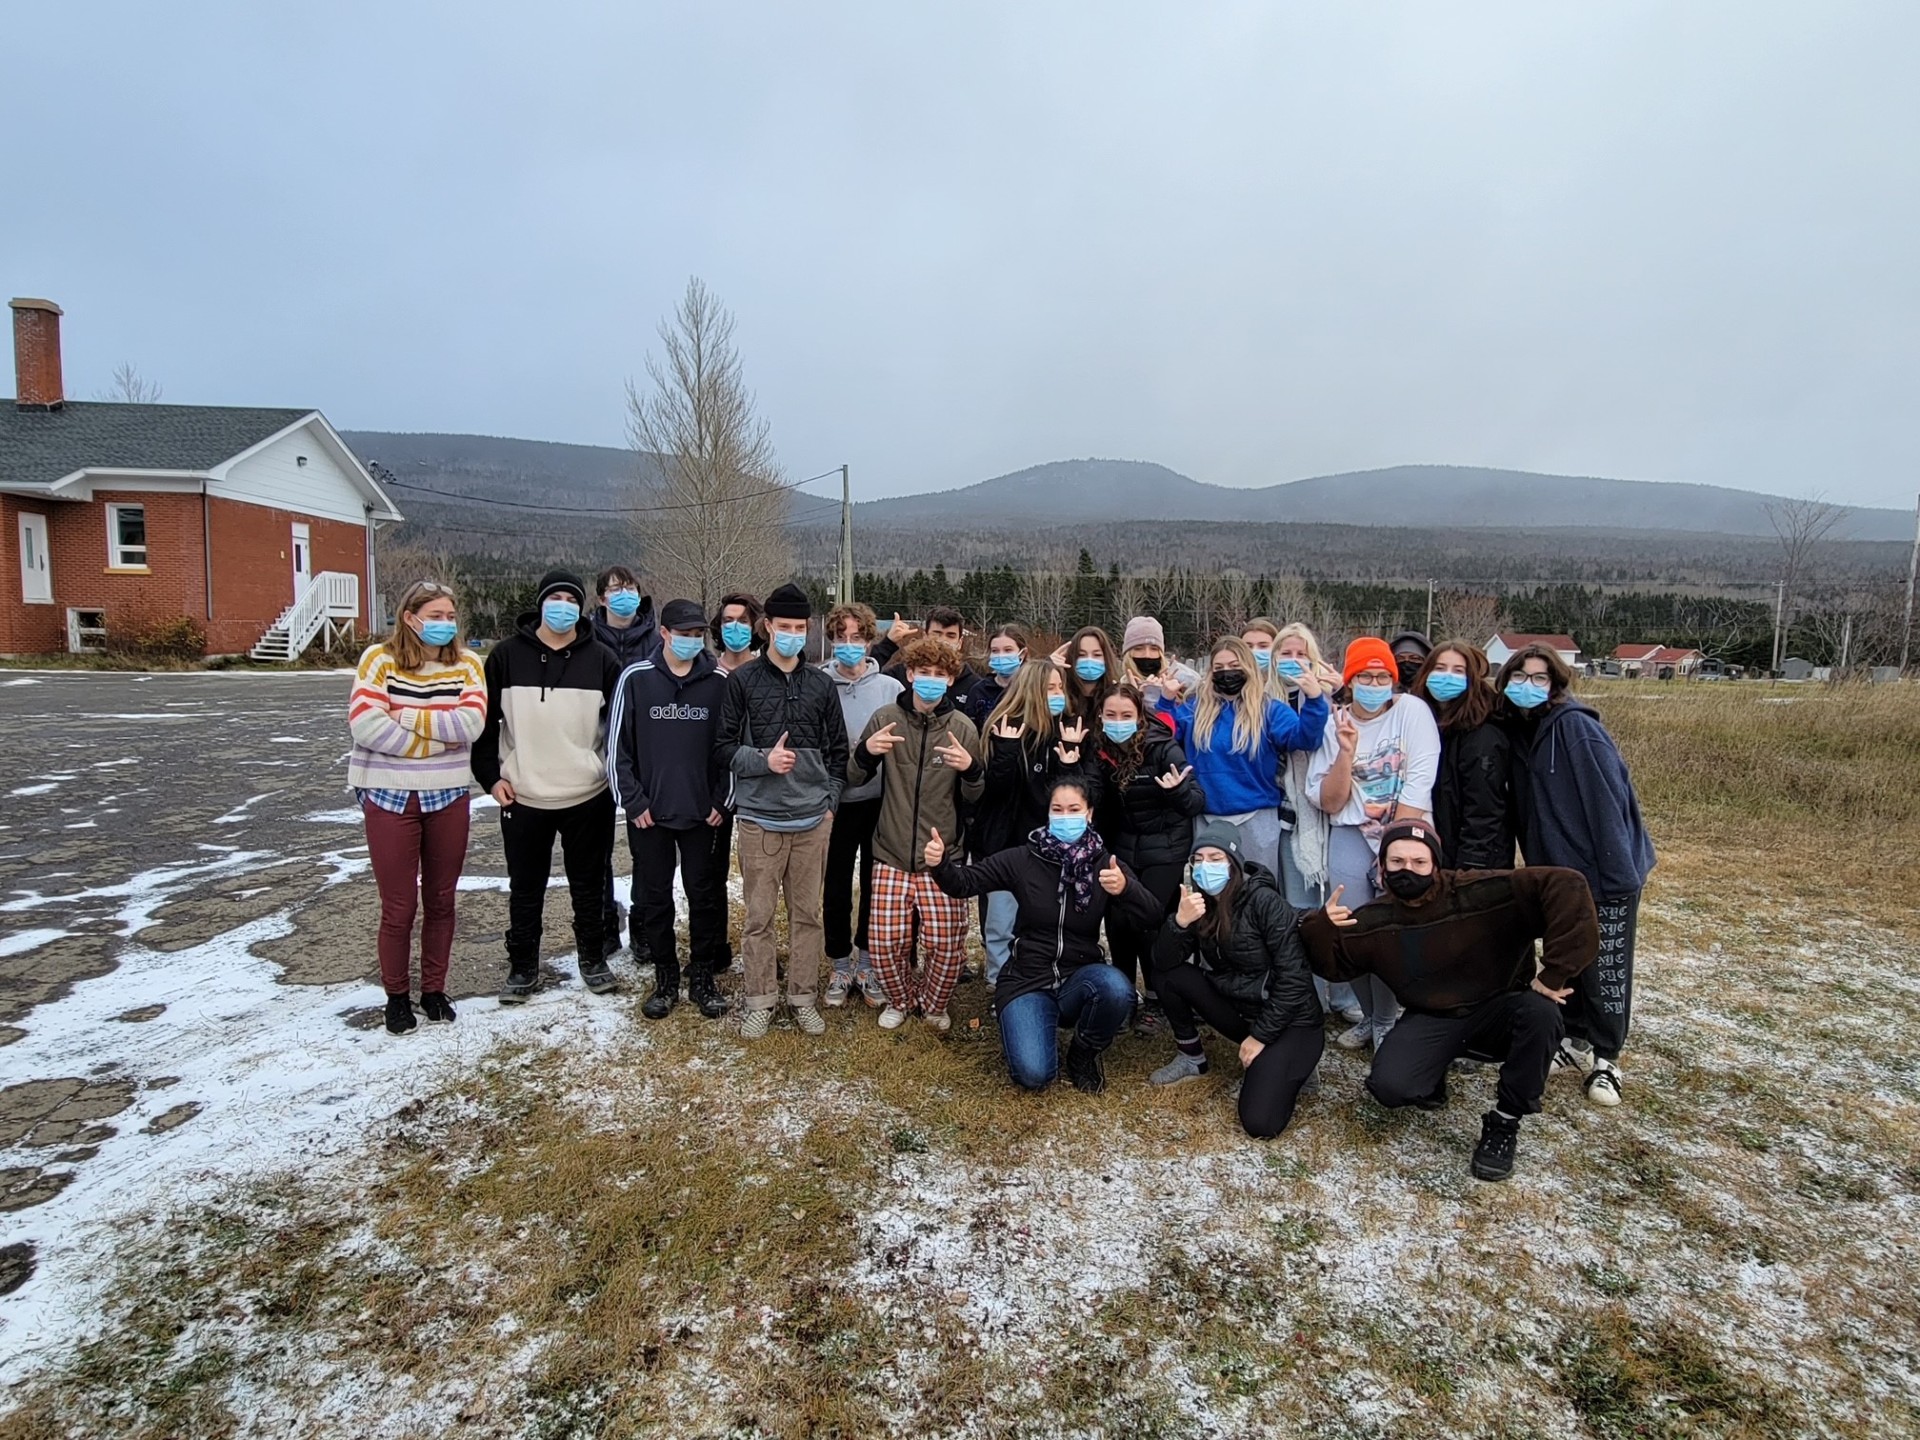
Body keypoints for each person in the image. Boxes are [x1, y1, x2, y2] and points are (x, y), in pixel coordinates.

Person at [1299, 819, 1599, 1181]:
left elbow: (1567, 884)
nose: (1407, 869)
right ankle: (1432, 1072)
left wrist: (1554, 972)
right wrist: (1321, 925)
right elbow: (1332, 966)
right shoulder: (1375, 920)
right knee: (1390, 1087)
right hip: (1432, 1016)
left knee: (1543, 1013)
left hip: (1501, 1008)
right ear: (1381, 867)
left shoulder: (1483, 892)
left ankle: (1505, 1121)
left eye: (1418, 862)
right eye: (1396, 862)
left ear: (1435, 865)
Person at [1496, 644, 1655, 1107]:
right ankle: (1575, 1035)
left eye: (1538, 678)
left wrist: (1617, 876)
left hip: (1605, 873)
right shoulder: (1524, 734)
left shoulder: (1576, 730)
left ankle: (1607, 1059)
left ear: (1556, 684)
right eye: (1519, 677)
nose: (1527, 686)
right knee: (1571, 956)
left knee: (1606, 964)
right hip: (1558, 874)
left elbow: (1608, 802)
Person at [928, 778, 1161, 1092]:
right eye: (1058, 810)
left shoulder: (1106, 864)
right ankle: (1032, 1022)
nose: (1066, 817)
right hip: (1027, 979)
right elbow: (963, 883)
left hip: (1079, 977)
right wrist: (941, 863)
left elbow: (1152, 916)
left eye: (1074, 809)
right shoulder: (1024, 858)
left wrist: (1127, 888)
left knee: (1117, 988)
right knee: (1035, 1075)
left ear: (1089, 813)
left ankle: (1084, 1052)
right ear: (1048, 814)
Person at [471, 569, 625, 1003]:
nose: (564, 606)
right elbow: (484, 726)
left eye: (572, 599)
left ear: (582, 607)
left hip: (587, 794)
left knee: (589, 885)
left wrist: (609, 774)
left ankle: (593, 959)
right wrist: (490, 777)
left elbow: (617, 729)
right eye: (555, 598)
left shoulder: (601, 659)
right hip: (524, 795)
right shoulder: (505, 656)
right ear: (540, 603)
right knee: (525, 887)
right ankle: (523, 967)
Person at [348, 580, 488, 1036]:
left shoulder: (468, 664)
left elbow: (470, 724)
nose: (445, 624)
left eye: (450, 616)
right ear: (410, 618)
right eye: (436, 616)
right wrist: (436, 738)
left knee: (442, 900)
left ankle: (433, 989)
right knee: (399, 904)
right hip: (389, 796)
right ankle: (396, 997)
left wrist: (403, 717)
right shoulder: (379, 660)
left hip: (447, 795)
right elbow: (366, 725)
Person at [716, 583, 849, 1039]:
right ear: (767, 627)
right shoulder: (742, 682)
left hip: (812, 822)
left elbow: (837, 751)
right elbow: (722, 748)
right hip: (759, 821)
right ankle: (759, 999)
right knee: (758, 918)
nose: (791, 634)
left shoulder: (821, 685)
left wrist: (829, 803)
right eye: (783, 627)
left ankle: (802, 997)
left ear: (807, 629)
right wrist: (763, 761)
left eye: (799, 627)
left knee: (807, 915)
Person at [1304, 636, 1441, 1051]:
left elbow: (1420, 781)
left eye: (1383, 676)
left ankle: (1388, 1019)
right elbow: (1329, 800)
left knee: (1394, 932)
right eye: (1366, 675)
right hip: (1350, 833)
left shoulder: (1412, 712)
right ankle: (1370, 1015)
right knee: (1354, 931)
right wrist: (1346, 752)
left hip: (1406, 834)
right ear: (1350, 679)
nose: (1375, 683)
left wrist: (1392, 854)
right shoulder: (1333, 722)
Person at [1149, 821, 1325, 1140]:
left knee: (1259, 1123)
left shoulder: (1264, 902)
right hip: (1241, 1007)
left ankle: (1297, 1067)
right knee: (1170, 973)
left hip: (1292, 1021)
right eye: (1198, 860)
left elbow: (1295, 978)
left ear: (1233, 864)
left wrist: (1260, 1037)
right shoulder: (1198, 903)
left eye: (1215, 859)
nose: (1205, 867)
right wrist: (1179, 922)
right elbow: (1162, 963)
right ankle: (1192, 1057)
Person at [846, 638, 986, 1030]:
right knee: (887, 942)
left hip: (942, 856)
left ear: (950, 680)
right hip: (890, 850)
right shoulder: (886, 717)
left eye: (939, 675)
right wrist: (867, 752)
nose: (930, 681)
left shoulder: (962, 727)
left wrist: (970, 768)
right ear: (909, 675)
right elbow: (855, 777)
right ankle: (901, 999)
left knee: (945, 945)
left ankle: (935, 1004)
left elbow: (977, 795)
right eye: (923, 673)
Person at [607, 598, 732, 1021]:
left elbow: (731, 747)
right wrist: (633, 801)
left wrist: (722, 800)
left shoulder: (719, 681)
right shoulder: (635, 679)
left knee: (705, 898)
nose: (691, 642)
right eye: (683, 634)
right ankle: (665, 978)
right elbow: (616, 749)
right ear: (664, 633)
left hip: (703, 815)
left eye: (698, 635)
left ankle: (701, 977)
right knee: (655, 899)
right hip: (651, 815)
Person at [1159, 636, 1328, 887]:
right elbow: (1164, 738)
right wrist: (1165, 700)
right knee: (1210, 897)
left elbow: (1305, 739)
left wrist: (1315, 701)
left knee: (1257, 895)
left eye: (1234, 666)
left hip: (1257, 820)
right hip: (1207, 819)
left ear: (1248, 667)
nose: (1227, 673)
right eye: (1219, 668)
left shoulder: (1270, 710)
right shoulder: (1194, 710)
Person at [975, 660, 1098, 985]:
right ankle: (1000, 985)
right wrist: (1006, 751)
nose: (1057, 695)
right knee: (1001, 923)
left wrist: (1068, 758)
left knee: (1046, 921)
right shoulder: (1005, 727)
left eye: (1060, 688)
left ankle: (1047, 980)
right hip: (1008, 842)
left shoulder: (1068, 730)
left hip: (1053, 846)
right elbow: (993, 791)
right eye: (1049, 689)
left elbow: (1075, 795)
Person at [1093, 683, 1206, 1030]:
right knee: (1117, 919)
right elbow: (1094, 795)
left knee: (1148, 919)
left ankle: (1158, 996)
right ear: (1100, 717)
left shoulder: (1162, 747)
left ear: (1140, 717)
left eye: (1126, 715)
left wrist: (1178, 792)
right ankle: (1124, 995)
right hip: (1123, 846)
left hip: (1166, 847)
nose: (1118, 721)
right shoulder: (1099, 750)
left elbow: (1195, 801)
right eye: (1111, 715)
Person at [1270, 621, 1363, 1026]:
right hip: (1290, 822)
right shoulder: (1265, 700)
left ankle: (1344, 992)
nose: (1293, 662)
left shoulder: (1328, 699)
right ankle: (1309, 994)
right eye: (1284, 654)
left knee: (1338, 907)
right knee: (1303, 911)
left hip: (1332, 816)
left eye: (1300, 654)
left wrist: (1324, 693)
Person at [821, 603, 904, 1008]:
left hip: (879, 802)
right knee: (835, 884)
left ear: (870, 640)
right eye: (841, 638)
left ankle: (868, 963)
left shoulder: (890, 688)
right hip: (834, 804)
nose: (849, 645)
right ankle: (839, 964)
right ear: (831, 640)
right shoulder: (819, 684)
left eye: (857, 637)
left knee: (876, 886)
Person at [591, 565, 659, 964]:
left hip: (644, 752)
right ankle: (602, 923)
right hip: (593, 748)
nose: (623, 595)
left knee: (645, 845)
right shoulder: (586, 638)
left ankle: (644, 924)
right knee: (595, 846)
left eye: (629, 588)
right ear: (601, 598)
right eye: (614, 589)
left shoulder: (656, 638)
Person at [1412, 641, 1515, 870]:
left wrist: (1470, 866)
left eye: (1458, 671)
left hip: (1472, 860)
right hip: (1437, 850)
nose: (1447, 676)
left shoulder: (1483, 735)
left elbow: (1484, 810)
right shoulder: (1427, 724)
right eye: (1439, 668)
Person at [702, 590, 764, 974]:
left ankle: (762, 953)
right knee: (710, 876)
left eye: (743, 621)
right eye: (728, 621)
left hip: (760, 789)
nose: (735, 628)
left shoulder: (766, 673)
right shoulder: (706, 674)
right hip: (716, 792)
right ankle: (713, 949)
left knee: (761, 880)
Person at [872, 605, 988, 711]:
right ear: (925, 636)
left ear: (960, 642)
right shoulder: (903, 674)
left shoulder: (973, 685)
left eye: (950, 636)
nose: (943, 641)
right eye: (936, 634)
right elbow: (865, 677)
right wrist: (888, 644)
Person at [1118, 616, 1199, 711]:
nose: (1147, 655)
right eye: (1139, 648)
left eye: (1154, 649)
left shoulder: (1182, 682)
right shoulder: (1121, 690)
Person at [961, 622, 1030, 730]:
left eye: (1008, 650)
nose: (1001, 655)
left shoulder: (1032, 689)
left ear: (1022, 653)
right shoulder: (978, 690)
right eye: (995, 651)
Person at [1054, 625, 1118, 724]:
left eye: (1097, 655)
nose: (1089, 660)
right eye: (1081, 655)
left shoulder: (1115, 695)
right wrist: (1046, 670)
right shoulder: (1058, 695)